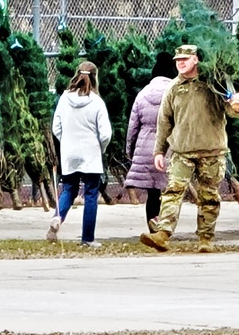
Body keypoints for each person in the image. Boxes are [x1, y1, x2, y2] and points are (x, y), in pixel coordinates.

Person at [139, 44, 239, 253]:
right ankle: (163, 234)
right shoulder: (173, 88)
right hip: (182, 151)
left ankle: (206, 238)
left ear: (195, 60)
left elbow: (233, 110)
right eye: (178, 60)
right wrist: (159, 151)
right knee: (173, 191)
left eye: (185, 59)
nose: (180, 63)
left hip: (212, 150)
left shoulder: (213, 83)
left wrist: (238, 106)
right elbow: (164, 121)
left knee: (209, 196)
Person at [46, 61, 113, 247]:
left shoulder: (64, 98)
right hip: (90, 154)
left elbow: (56, 127)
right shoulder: (97, 102)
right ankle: (88, 238)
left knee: (69, 189)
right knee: (91, 194)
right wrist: (101, 147)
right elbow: (106, 133)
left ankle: (58, 217)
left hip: (69, 153)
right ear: (95, 77)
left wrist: (66, 141)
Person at [124, 52, 177, 230]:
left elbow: (132, 127)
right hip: (169, 148)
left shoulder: (142, 94)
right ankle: (164, 227)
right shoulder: (176, 93)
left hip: (146, 150)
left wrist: (130, 151)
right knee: (171, 191)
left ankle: (153, 226)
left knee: (153, 194)